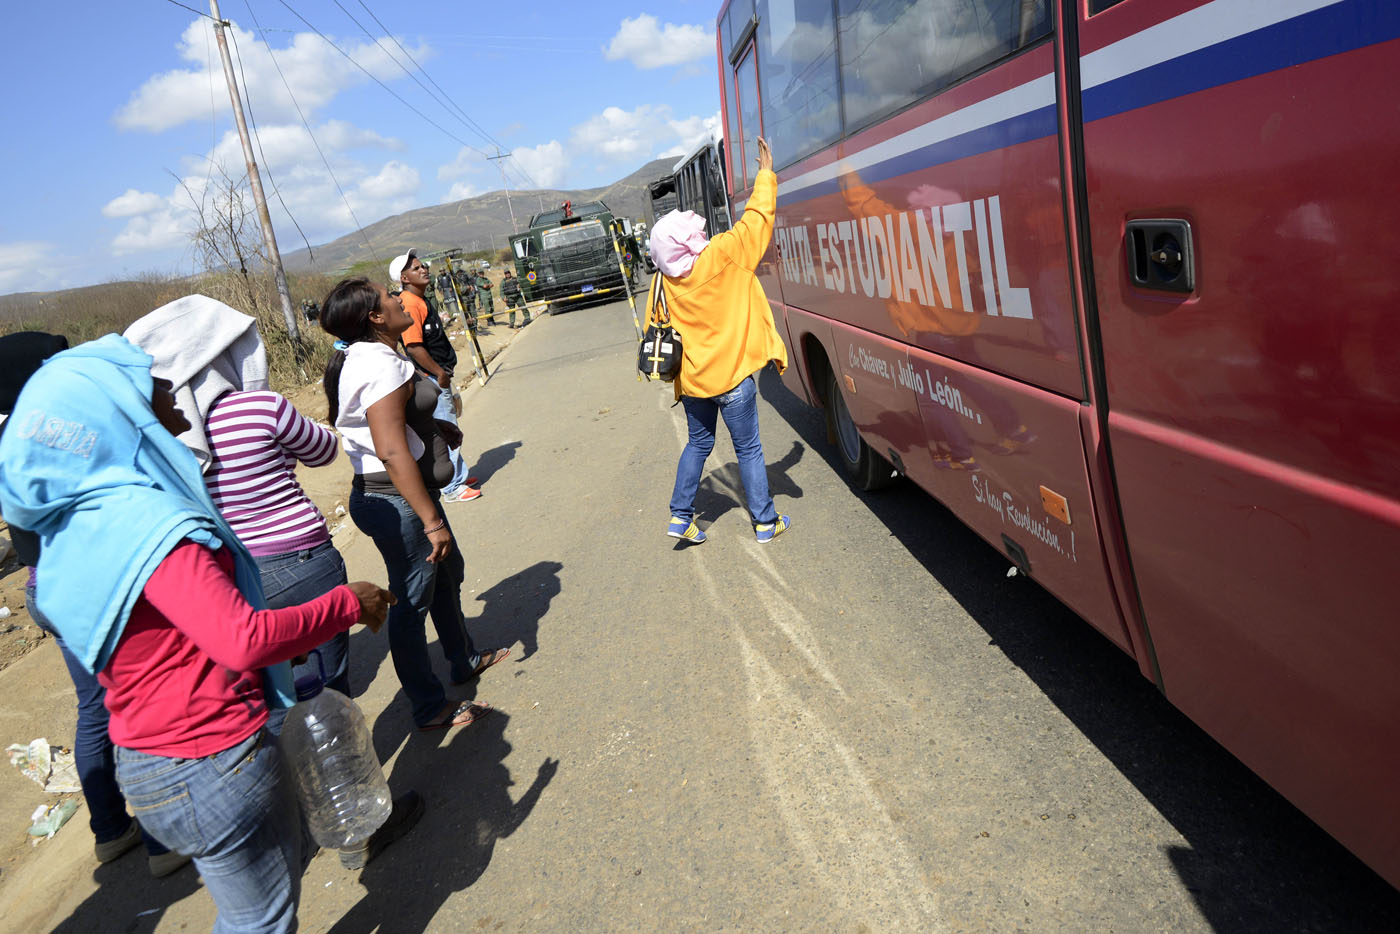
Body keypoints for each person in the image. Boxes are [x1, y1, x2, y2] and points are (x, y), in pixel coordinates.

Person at [0, 334, 412, 932]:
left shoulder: (76, 524)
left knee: (266, 890)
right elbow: (241, 639)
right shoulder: (144, 519)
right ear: (119, 414)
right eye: (149, 383)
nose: (170, 387)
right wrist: (344, 603)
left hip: (148, 758)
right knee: (261, 920)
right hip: (212, 756)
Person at [0, 331, 189, 879]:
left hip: (42, 587)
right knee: (137, 698)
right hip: (88, 578)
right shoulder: (55, 426)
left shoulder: (11, 438)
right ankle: (161, 841)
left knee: (94, 708)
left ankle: (110, 829)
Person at [124, 296, 356, 698]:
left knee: (275, 693)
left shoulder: (164, 435)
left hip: (231, 578)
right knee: (329, 684)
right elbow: (324, 452)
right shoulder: (260, 407)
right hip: (304, 562)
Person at [320, 277, 510, 732]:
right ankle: (428, 706)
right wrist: (430, 519)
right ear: (376, 317)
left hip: (403, 495)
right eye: (389, 296)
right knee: (411, 603)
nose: (398, 298)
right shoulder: (378, 364)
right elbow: (388, 448)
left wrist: (435, 429)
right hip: (399, 502)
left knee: (446, 576)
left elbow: (394, 422)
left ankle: (463, 658)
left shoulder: (377, 355)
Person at [647, 136, 790, 545]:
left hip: (694, 383)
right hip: (733, 380)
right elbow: (756, 220)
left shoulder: (661, 283)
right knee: (748, 449)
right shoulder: (723, 255)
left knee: (698, 444)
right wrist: (765, 173)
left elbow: (656, 328)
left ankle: (680, 516)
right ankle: (765, 522)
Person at [390, 250, 480, 503]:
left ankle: (457, 474)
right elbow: (414, 346)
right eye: (416, 268)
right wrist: (439, 373)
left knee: (450, 427)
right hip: (432, 378)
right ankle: (452, 486)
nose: (424, 270)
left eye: (423, 266)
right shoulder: (409, 303)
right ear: (404, 278)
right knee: (445, 429)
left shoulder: (422, 300)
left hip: (438, 376)